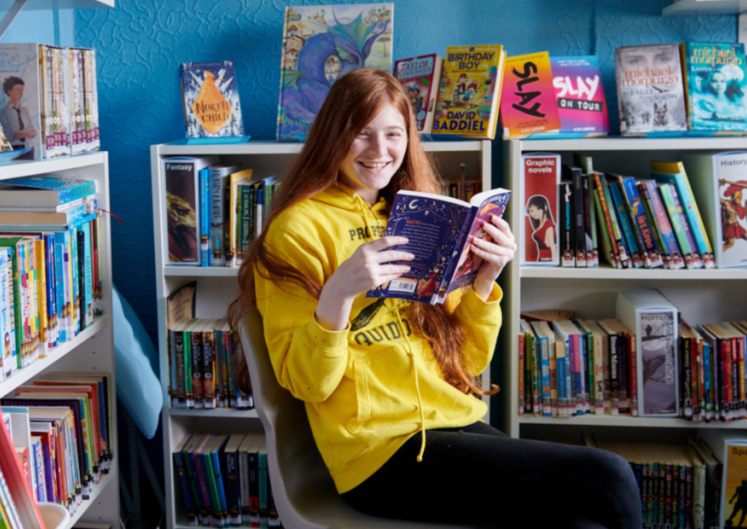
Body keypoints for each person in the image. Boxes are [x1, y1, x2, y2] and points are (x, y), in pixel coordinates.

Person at [226, 69, 640, 529]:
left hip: (453, 425)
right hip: (379, 454)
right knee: (608, 475)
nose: (380, 151)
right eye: (362, 134)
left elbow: (467, 359)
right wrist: (339, 292)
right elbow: (308, 385)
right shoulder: (297, 231)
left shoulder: (416, 212)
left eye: (393, 135)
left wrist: (486, 278)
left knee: (583, 522)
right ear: (333, 135)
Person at [0, 76, 38, 152]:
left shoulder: (24, 110)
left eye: (22, 91)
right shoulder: (4, 113)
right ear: (9, 91)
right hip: (14, 149)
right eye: (18, 91)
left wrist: (31, 133)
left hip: (29, 148)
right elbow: (8, 136)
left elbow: (32, 129)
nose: (21, 94)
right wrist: (24, 133)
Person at [526, 195, 556, 262]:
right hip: (541, 259)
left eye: (537, 209)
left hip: (547, 260)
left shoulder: (548, 225)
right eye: (531, 210)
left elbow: (552, 246)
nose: (534, 213)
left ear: (545, 208)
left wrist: (554, 262)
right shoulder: (541, 225)